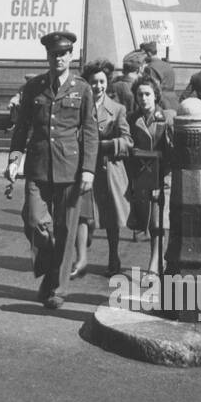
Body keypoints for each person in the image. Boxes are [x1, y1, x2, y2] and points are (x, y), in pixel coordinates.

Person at [4, 33, 97, 310]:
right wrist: (13, 160)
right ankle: (53, 262)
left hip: (70, 166)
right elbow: (22, 128)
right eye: (54, 54)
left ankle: (57, 288)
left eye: (64, 54)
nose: (59, 58)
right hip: (38, 164)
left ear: (71, 56)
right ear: (47, 56)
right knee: (34, 220)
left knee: (67, 228)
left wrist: (89, 170)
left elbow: (90, 132)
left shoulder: (82, 89)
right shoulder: (34, 87)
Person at [76, 58, 130, 278]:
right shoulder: (79, 106)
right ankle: (81, 252)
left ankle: (113, 255)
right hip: (85, 167)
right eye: (93, 82)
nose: (98, 86)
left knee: (111, 218)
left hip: (108, 169)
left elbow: (128, 141)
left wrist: (106, 145)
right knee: (83, 214)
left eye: (102, 81)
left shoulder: (117, 109)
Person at [125, 77, 174, 275]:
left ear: (156, 95)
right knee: (146, 221)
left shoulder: (167, 117)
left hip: (163, 175)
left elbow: (174, 149)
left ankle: (155, 263)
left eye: (148, 94)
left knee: (158, 221)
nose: (144, 98)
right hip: (142, 177)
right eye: (140, 95)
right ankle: (159, 259)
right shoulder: (131, 119)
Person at [139, 41, 176, 108]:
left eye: (143, 54)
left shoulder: (150, 68)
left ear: (149, 53)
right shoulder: (168, 65)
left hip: (161, 102)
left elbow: (151, 88)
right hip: (173, 100)